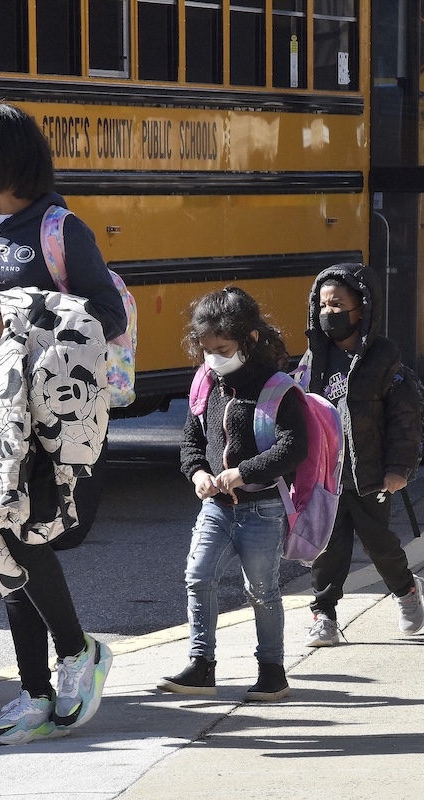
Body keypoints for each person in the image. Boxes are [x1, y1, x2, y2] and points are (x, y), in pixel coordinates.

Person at [0, 102, 125, 744]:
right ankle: (37, 690)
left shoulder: (58, 229)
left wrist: (22, 313)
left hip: (46, 414)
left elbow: (108, 315)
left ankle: (74, 655)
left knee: (22, 531)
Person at [158, 287, 309, 701]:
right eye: (206, 350)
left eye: (222, 350)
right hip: (216, 507)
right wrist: (198, 473)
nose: (213, 359)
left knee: (261, 590)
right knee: (198, 577)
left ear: (250, 338)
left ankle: (272, 671)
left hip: (263, 509)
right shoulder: (208, 383)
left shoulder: (278, 389)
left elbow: (293, 448)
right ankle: (201, 666)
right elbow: (192, 439)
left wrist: (244, 472)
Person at [299, 264, 424, 648]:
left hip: (370, 475)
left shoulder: (385, 357)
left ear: (363, 308)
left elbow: (405, 419)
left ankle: (406, 591)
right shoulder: (314, 358)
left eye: (338, 305)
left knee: (379, 543)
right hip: (326, 476)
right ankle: (324, 615)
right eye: (323, 305)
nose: (330, 313)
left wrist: (399, 468)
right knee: (327, 547)